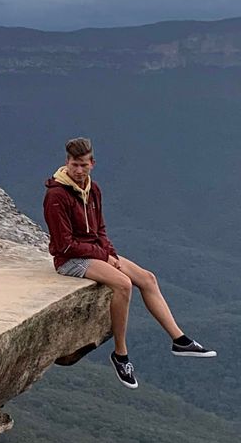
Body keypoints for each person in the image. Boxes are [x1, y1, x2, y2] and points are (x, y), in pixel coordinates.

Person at [43, 137, 216, 389]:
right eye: (73, 165)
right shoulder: (56, 195)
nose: (78, 170)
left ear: (92, 163)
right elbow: (64, 245)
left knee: (147, 278)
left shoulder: (93, 189)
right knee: (123, 284)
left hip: (94, 253)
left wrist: (109, 253)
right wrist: (103, 256)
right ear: (66, 163)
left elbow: (100, 229)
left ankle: (179, 340)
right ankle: (121, 355)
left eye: (83, 165)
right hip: (70, 260)